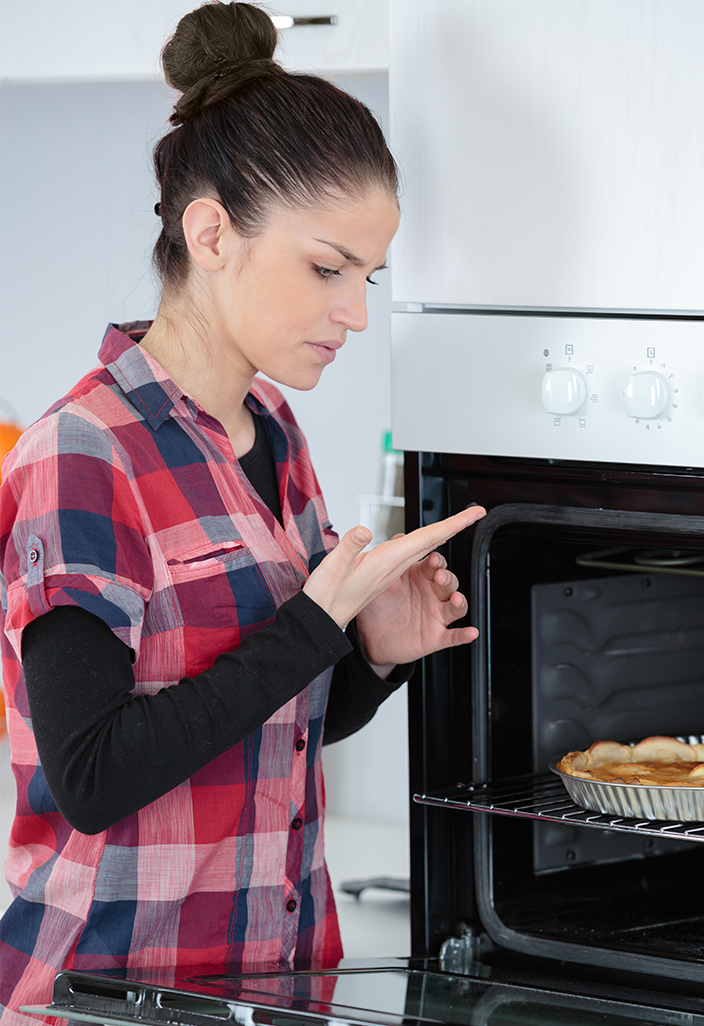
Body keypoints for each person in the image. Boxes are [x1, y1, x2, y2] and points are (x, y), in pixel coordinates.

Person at [0, 2, 485, 1019]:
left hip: (276, 980)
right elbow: (92, 774)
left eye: (368, 275)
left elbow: (282, 727)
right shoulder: (83, 456)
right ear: (210, 231)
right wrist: (314, 625)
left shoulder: (270, 433)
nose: (355, 310)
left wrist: (375, 657)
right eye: (326, 268)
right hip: (109, 997)